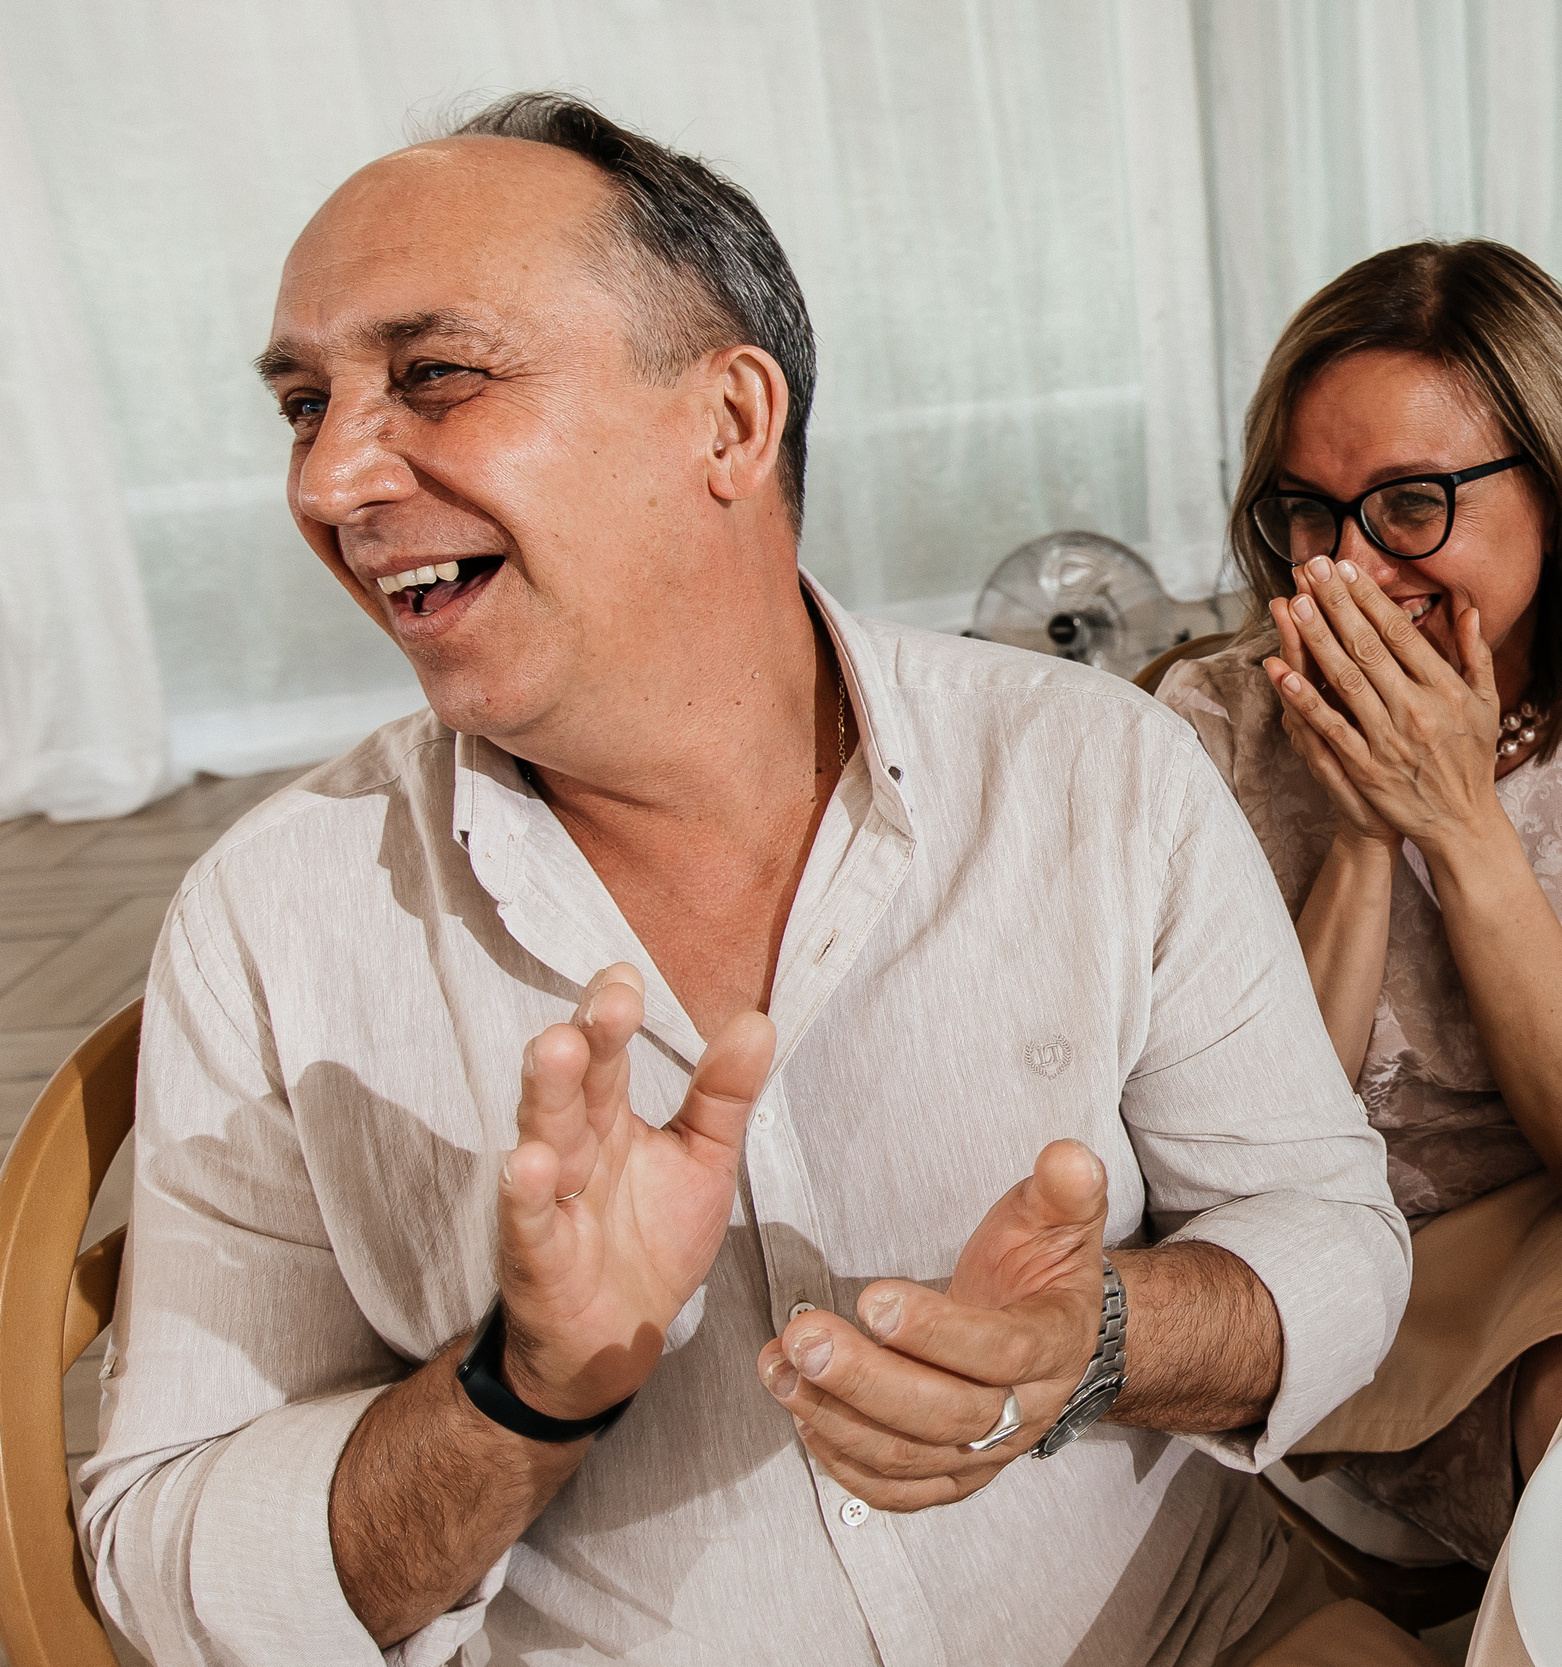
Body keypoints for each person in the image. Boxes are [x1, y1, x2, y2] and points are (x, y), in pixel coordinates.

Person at [79, 93, 1415, 1667]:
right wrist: (524, 1386)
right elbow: (164, 1559)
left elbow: (1331, 1232)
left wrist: (1098, 1340)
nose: (328, 481)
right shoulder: (270, 920)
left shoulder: (1094, 768)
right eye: (305, 403)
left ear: (728, 422)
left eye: (432, 376)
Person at [1156, 240, 1562, 1567]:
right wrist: (1367, 832)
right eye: (1307, 513)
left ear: (1558, 489)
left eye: (1410, 504)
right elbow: (1263, 1148)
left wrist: (1458, 813)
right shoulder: (1207, 721)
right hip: (1343, 1242)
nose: (1348, 572)